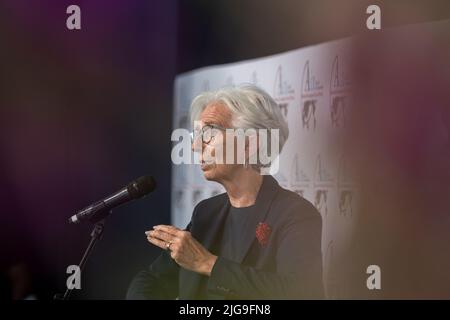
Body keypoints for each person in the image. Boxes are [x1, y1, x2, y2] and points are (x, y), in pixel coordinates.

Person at [127, 84, 324, 299]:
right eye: (196, 134)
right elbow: (152, 279)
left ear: (249, 144)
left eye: (209, 132)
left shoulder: (294, 213)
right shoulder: (206, 212)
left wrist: (207, 263)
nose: (195, 146)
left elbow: (302, 292)